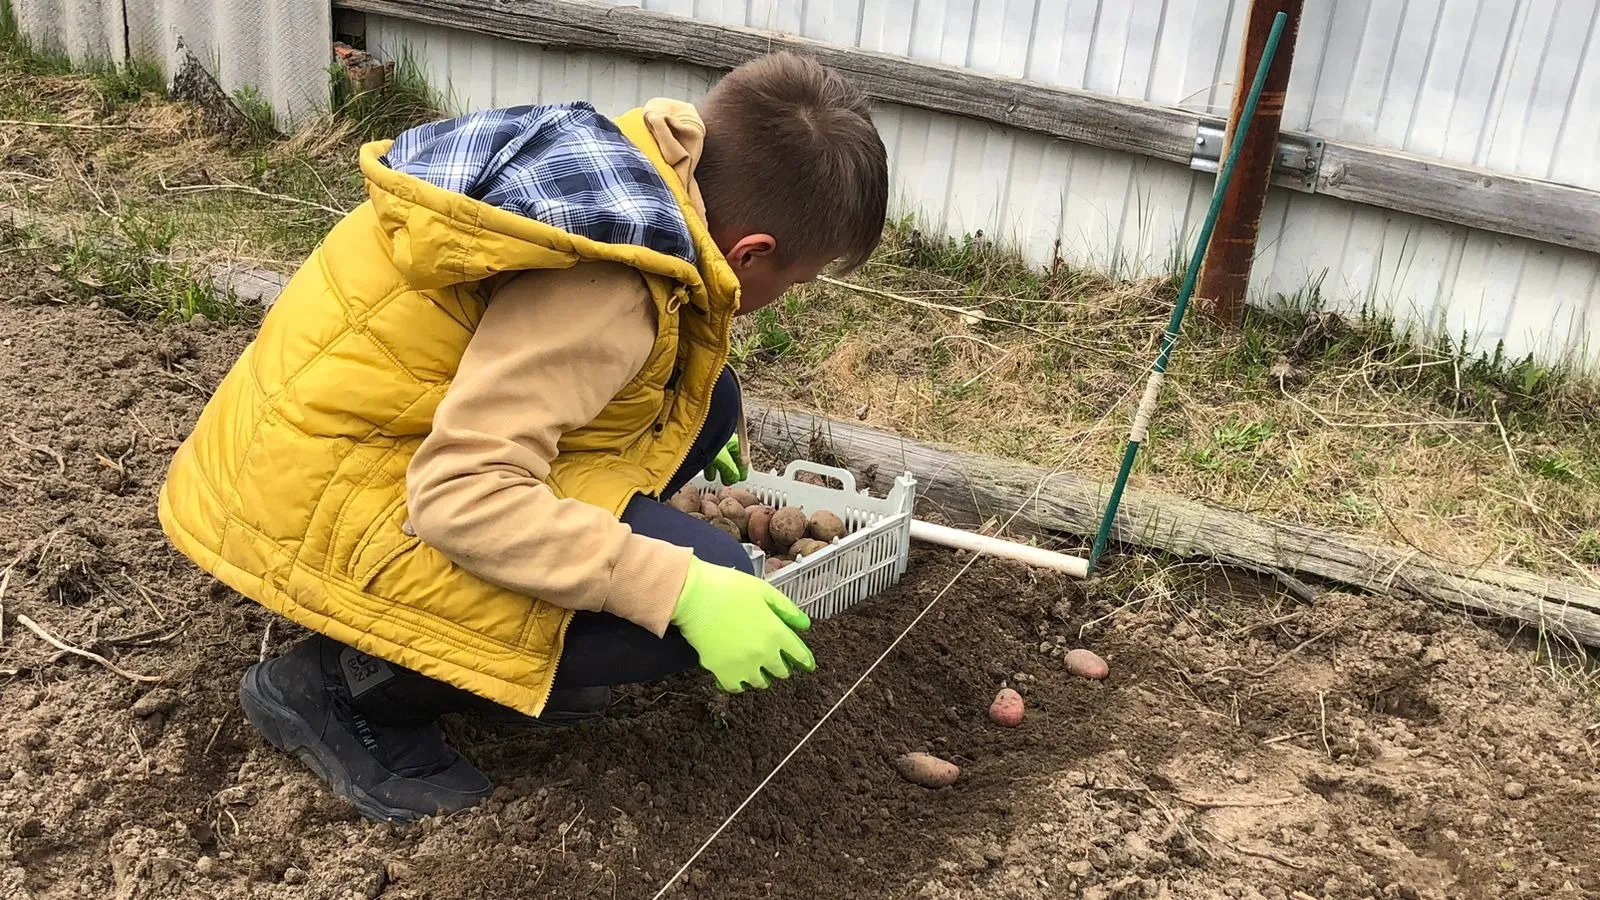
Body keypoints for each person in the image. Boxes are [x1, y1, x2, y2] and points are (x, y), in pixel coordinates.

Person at [156, 51, 889, 822]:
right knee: (682, 593)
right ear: (753, 253)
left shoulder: (650, 160)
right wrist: (679, 588)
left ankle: (508, 657)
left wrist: (683, 422)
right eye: (798, 283)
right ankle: (348, 688)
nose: (786, 298)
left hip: (333, 438)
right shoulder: (608, 288)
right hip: (318, 499)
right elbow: (457, 496)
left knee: (709, 403)